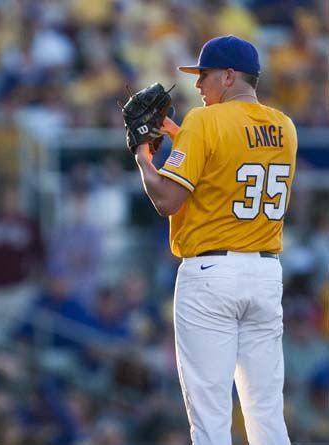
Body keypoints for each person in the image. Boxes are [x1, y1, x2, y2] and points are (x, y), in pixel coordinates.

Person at [130, 35, 297, 444]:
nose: (198, 86)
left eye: (203, 76)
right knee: (267, 414)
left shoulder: (206, 122)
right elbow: (227, 156)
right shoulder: (285, 126)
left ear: (227, 76)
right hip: (264, 274)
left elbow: (168, 200)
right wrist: (173, 131)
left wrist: (141, 154)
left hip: (210, 275)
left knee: (210, 417)